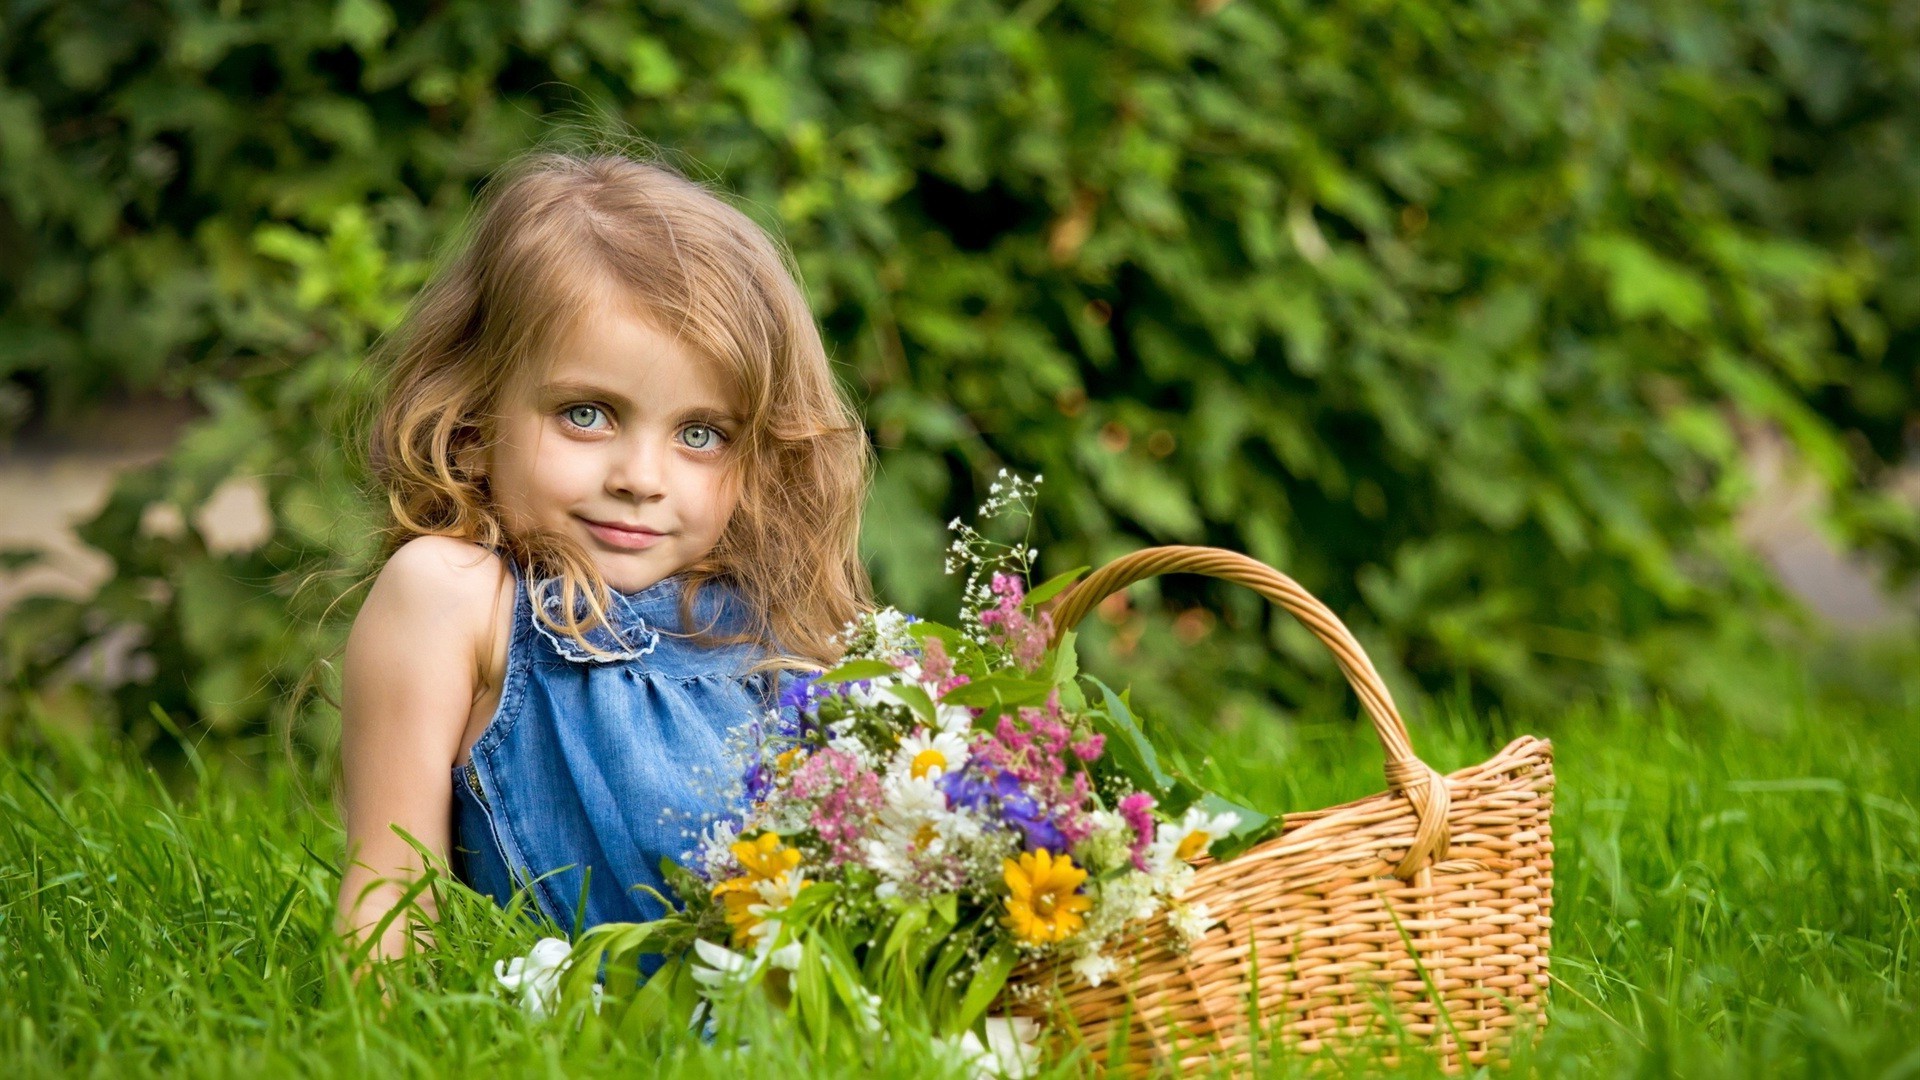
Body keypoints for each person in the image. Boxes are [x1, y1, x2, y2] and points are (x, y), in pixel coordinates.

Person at [334, 149, 872, 964]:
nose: (641, 480)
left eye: (700, 434)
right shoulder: (458, 599)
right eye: (586, 414)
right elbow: (392, 890)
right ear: (474, 421)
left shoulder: (768, 623)